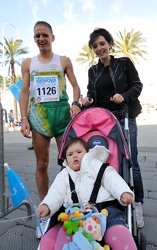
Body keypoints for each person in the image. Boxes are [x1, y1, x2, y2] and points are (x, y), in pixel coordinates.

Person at [82, 28, 144, 228]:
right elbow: (91, 92)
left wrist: (124, 96)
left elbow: (137, 85)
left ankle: (138, 202)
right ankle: (113, 196)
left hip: (125, 118)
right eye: (95, 46)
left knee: (131, 160)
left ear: (109, 44)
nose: (99, 48)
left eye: (102, 44)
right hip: (104, 123)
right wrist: (87, 100)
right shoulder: (93, 70)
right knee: (109, 159)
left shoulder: (124, 63)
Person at [37, 138, 137, 250]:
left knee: (118, 232)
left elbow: (112, 179)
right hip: (75, 216)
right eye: (70, 154)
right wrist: (47, 205)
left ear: (87, 153)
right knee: (64, 233)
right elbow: (55, 193)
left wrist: (123, 192)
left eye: (79, 152)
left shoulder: (96, 165)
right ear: (65, 159)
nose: (75, 156)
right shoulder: (64, 175)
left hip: (105, 211)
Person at [19, 21, 81, 202]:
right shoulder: (28, 63)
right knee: (41, 163)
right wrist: (24, 119)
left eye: (45, 35)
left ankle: (74, 202)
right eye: (37, 36)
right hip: (39, 119)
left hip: (62, 117)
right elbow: (24, 92)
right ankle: (45, 205)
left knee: (70, 162)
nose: (41, 39)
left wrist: (76, 103)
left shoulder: (63, 61)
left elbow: (76, 86)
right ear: (34, 39)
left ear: (52, 37)